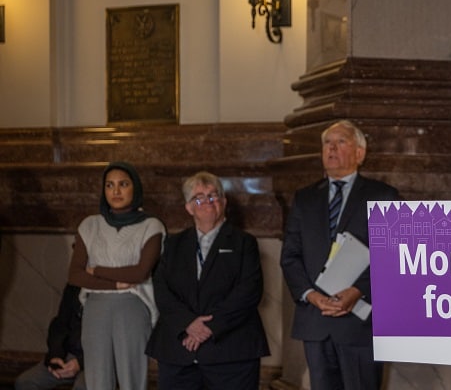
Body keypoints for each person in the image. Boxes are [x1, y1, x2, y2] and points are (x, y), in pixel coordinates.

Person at [281, 120, 402, 390]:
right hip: (316, 320)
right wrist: (312, 296)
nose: (332, 149)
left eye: (341, 142)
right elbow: (290, 256)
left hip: (360, 322)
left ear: (360, 153)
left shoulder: (383, 196)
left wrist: (358, 290)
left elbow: (392, 257)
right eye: (327, 143)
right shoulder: (304, 198)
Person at [146, 171, 270, 389]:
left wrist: (209, 327)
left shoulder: (244, 243)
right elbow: (162, 289)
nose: (208, 202)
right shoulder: (173, 244)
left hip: (232, 352)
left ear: (224, 202)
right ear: (188, 207)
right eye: (199, 197)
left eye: (214, 196)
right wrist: (188, 324)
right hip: (179, 352)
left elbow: (249, 291)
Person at [67, 161, 165, 390]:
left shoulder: (151, 225)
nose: (116, 191)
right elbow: (74, 275)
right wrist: (116, 284)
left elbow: (140, 272)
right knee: (97, 380)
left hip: (133, 305)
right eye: (109, 185)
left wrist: (97, 270)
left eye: (123, 184)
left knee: (132, 377)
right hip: (95, 307)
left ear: (135, 188)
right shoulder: (89, 226)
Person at [14, 284, 85, 390]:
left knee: (82, 387)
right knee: (25, 382)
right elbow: (60, 325)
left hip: (100, 360)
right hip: (69, 355)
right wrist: (56, 355)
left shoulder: (112, 288)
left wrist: (80, 363)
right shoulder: (75, 285)